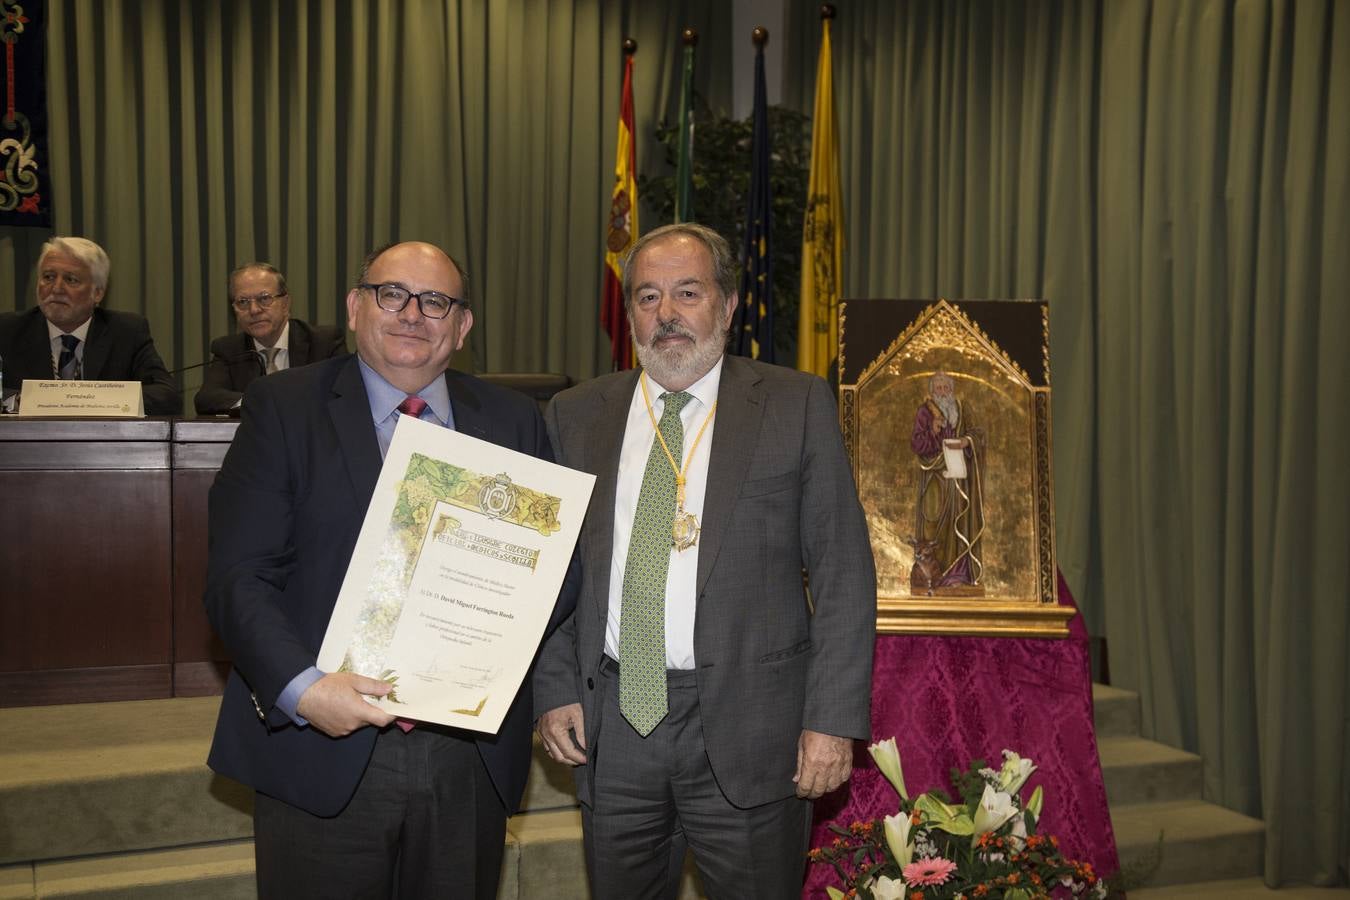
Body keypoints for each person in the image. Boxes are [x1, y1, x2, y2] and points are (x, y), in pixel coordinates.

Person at [204, 241, 573, 899]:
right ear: (355, 307)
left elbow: (557, 573)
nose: (413, 314)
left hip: (466, 759)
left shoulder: (514, 421)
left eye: (437, 301)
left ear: (462, 327)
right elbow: (239, 576)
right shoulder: (283, 408)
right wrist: (304, 688)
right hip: (322, 747)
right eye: (391, 294)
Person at [533, 223, 876, 899]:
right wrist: (553, 689)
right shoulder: (575, 415)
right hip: (616, 721)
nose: (666, 315)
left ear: (727, 304)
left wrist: (831, 721)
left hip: (754, 726)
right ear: (628, 310)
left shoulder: (794, 404)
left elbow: (842, 570)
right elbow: (551, 573)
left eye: (687, 292)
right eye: (647, 296)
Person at [0, 236, 179, 414]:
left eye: (71, 280)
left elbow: (166, 395)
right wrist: (18, 401)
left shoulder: (126, 332)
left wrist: (90, 400)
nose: (56, 288)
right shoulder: (7, 330)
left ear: (98, 293)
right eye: (48, 277)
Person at [193, 262, 347, 415]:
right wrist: (263, 400)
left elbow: (345, 393)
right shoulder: (229, 349)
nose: (254, 310)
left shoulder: (324, 341)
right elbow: (207, 398)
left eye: (264, 298)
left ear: (285, 304)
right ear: (234, 309)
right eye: (243, 302)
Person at [909, 370, 985, 589]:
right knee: (933, 522)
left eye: (947, 388)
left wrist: (966, 441)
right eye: (939, 388)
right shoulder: (925, 412)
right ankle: (930, 575)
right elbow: (916, 444)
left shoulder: (960, 409)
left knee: (957, 521)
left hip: (958, 476)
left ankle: (957, 575)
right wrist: (932, 432)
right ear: (932, 391)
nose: (943, 392)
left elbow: (977, 433)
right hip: (935, 477)